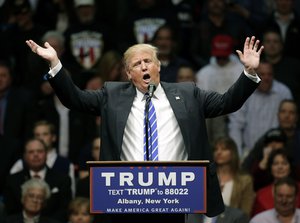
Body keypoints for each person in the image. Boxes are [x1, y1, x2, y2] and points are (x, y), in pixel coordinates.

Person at [26, 36, 264, 222]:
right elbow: (74, 99)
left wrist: (249, 72)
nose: (143, 66)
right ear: (129, 74)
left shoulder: (188, 94)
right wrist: (55, 64)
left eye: (147, 61)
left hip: (174, 195)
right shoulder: (112, 95)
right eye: (136, 64)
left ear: (158, 66)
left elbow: (226, 103)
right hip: (126, 198)